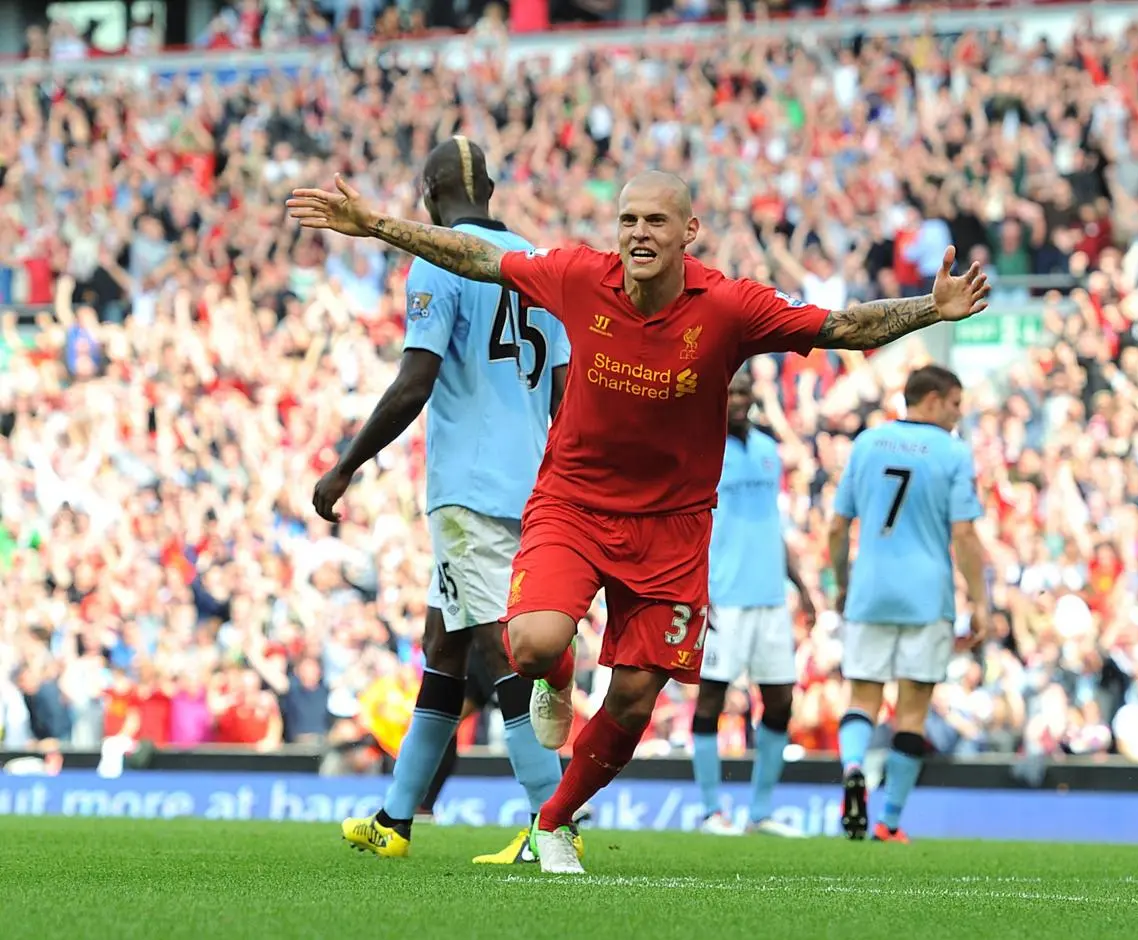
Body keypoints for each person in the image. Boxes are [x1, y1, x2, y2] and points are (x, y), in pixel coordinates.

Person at [287, 168, 990, 874]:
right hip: (574, 502)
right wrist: (376, 223)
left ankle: (555, 821)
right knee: (529, 645)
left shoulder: (728, 306)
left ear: (688, 231)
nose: (638, 235)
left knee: (631, 695)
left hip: (673, 529)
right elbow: (475, 256)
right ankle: (556, 683)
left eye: (655, 222)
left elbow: (843, 326)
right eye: (628, 221)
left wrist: (930, 310)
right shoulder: (577, 276)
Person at [316, 138, 580, 865]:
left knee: (498, 648)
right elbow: (565, 394)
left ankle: (550, 825)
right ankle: (396, 819)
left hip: (469, 490)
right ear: (490, 189)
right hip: (532, 486)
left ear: (429, 193)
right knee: (445, 645)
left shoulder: (436, 254)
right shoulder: (540, 263)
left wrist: (346, 466)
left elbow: (415, 380)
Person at [826, 364, 990, 843]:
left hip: (870, 591)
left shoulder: (867, 443)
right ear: (934, 400)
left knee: (863, 699)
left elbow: (838, 527)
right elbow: (964, 533)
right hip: (926, 596)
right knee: (912, 713)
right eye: (956, 404)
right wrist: (980, 601)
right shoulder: (954, 452)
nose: (959, 415)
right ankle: (889, 821)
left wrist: (842, 583)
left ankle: (854, 766)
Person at [691, 370, 817, 837]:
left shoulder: (768, 452)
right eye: (730, 393)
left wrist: (801, 586)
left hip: (769, 597)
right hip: (724, 597)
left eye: (744, 391)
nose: (739, 400)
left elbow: (771, 525)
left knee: (781, 699)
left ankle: (760, 813)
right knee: (711, 698)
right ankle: (710, 811)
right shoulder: (700, 450)